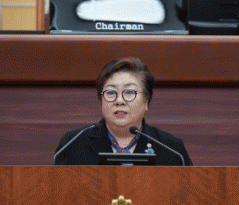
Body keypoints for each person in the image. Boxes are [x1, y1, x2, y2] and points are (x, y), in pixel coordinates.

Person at [54, 57, 193, 165]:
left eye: (129, 92)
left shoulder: (171, 148)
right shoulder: (73, 144)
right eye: (111, 93)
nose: (119, 101)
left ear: (146, 101)